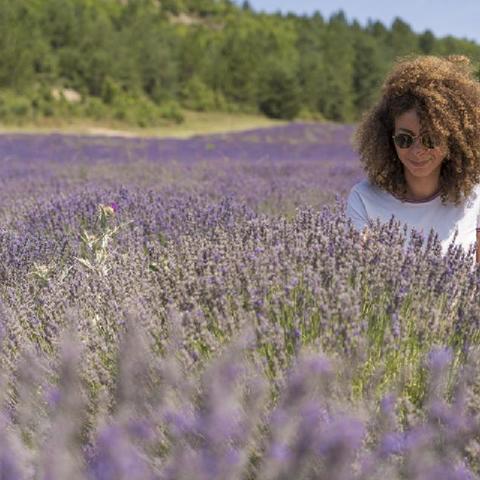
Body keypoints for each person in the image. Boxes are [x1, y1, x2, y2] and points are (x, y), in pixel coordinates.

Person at [346, 55, 480, 261]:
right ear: (388, 139)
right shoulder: (364, 199)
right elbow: (359, 278)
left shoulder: (475, 199)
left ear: (451, 140)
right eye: (405, 139)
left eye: (430, 139)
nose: (417, 150)